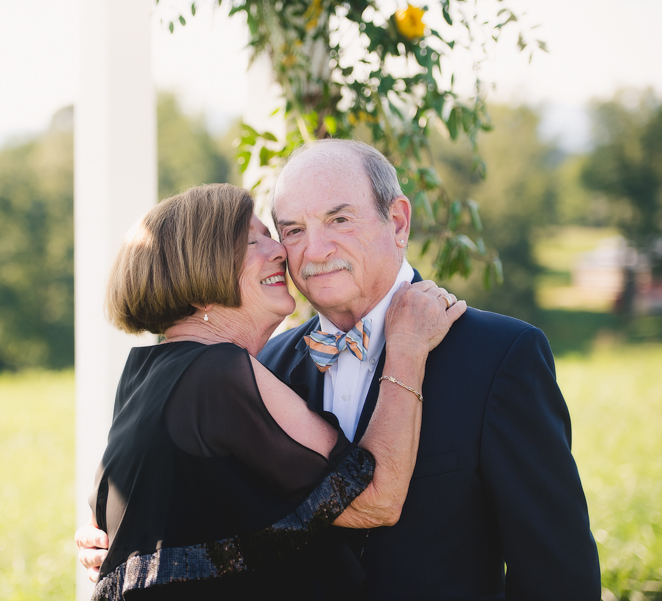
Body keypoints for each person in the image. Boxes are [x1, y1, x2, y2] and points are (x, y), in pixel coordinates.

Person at [79, 140, 602, 600]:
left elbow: (558, 570)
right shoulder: (261, 368)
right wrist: (139, 547)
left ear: (397, 222)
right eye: (292, 230)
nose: (312, 251)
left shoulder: (499, 355)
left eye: (339, 219)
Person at [86, 183, 466, 600]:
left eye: (271, 235)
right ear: (198, 271)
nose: (280, 251)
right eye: (252, 240)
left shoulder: (145, 375)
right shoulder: (217, 374)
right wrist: (408, 347)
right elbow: (376, 498)